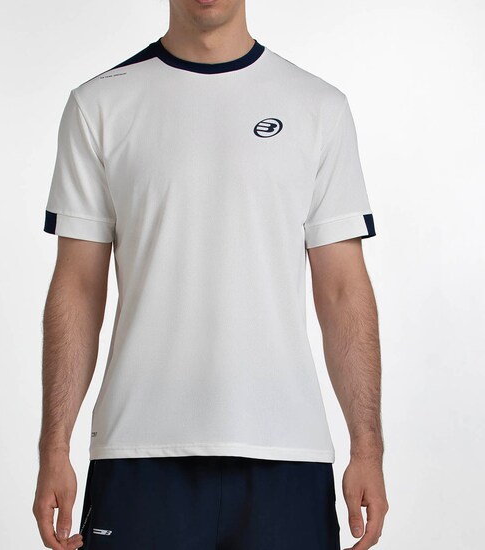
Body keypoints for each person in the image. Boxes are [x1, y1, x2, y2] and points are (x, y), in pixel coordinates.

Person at [32, 1, 389, 548]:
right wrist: (53, 447)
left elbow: (344, 291)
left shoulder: (318, 107)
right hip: (138, 452)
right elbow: (78, 287)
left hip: (286, 453)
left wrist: (368, 447)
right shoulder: (99, 104)